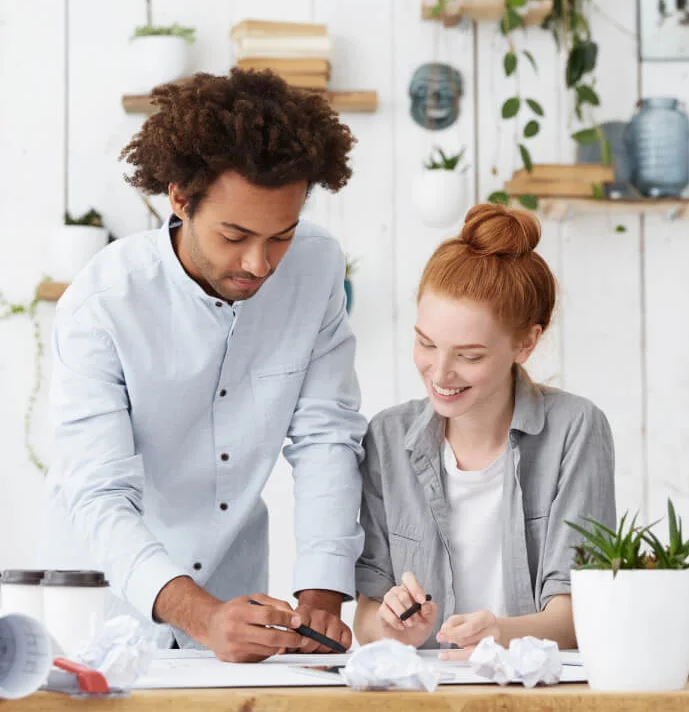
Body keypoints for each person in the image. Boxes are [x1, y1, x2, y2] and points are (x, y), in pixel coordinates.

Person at [43, 69, 367, 661]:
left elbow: (327, 434)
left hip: (241, 612)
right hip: (106, 615)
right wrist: (201, 615)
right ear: (179, 197)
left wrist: (321, 597)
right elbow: (98, 495)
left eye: (281, 236)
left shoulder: (317, 268)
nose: (260, 263)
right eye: (235, 234)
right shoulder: (102, 304)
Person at [353, 204, 615, 658]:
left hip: (535, 693)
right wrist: (390, 628)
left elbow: (577, 613)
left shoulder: (575, 430)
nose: (439, 372)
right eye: (426, 343)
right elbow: (366, 611)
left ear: (526, 343)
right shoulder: (387, 438)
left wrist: (502, 632)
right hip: (426, 694)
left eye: (469, 356)